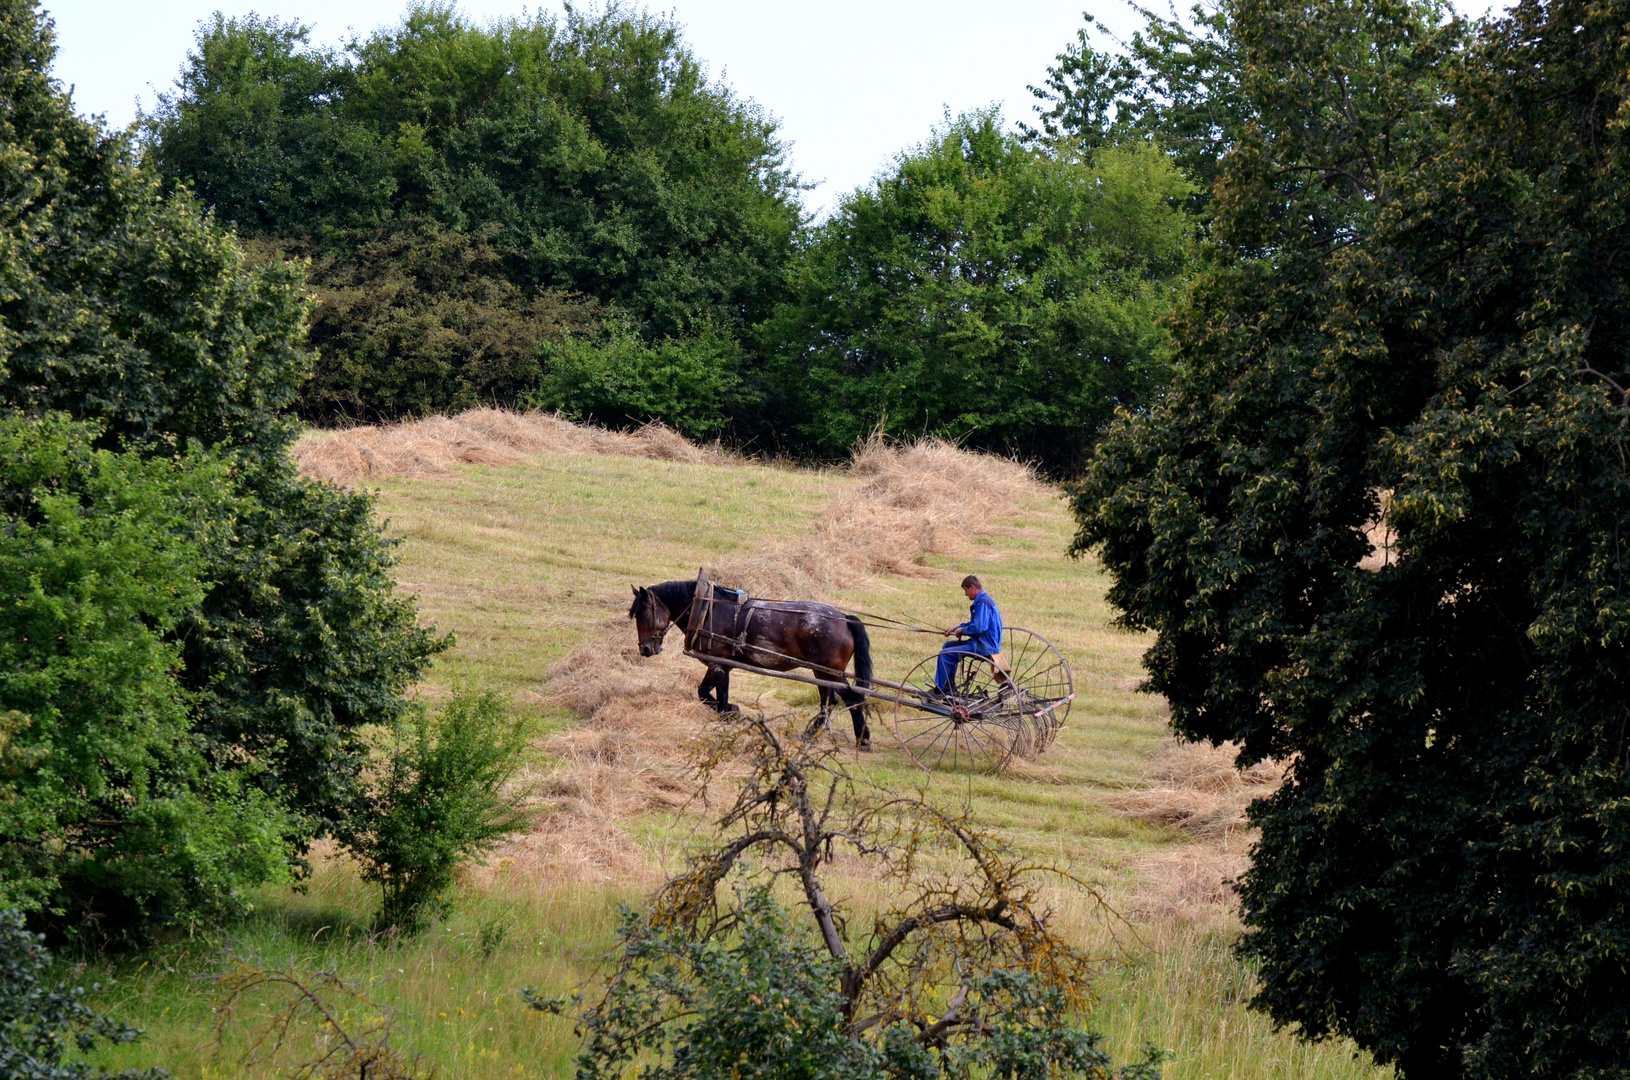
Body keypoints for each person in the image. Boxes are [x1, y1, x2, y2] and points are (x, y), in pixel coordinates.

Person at [933, 575, 1003, 694]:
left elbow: (979, 627)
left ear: (972, 587)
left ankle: (939, 690)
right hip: (983, 642)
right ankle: (949, 684)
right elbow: (974, 624)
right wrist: (958, 628)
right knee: (947, 646)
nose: (966, 594)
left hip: (984, 646)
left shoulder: (983, 603)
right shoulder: (985, 600)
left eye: (966, 590)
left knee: (944, 655)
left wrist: (962, 631)